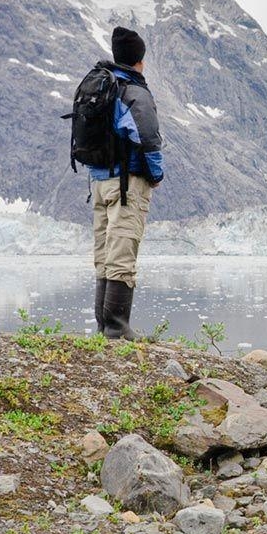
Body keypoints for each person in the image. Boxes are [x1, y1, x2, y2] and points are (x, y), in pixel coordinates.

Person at [89, 26, 164, 340]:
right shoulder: (133, 91)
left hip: (99, 180)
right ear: (140, 61)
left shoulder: (102, 84)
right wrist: (155, 175)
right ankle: (117, 328)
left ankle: (104, 326)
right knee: (122, 249)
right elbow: (147, 138)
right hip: (126, 183)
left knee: (105, 251)